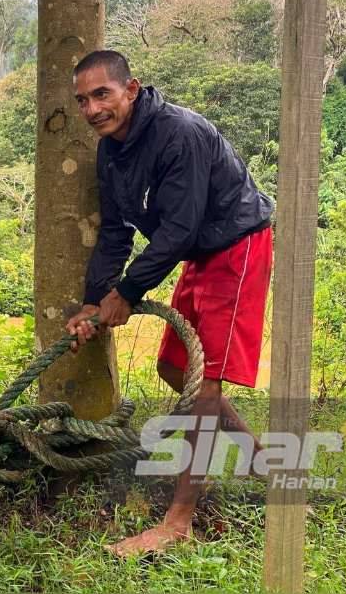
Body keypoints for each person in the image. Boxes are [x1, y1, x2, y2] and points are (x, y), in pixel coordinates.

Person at [65, 50, 274, 557]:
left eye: (102, 94)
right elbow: (115, 231)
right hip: (197, 251)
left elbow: (178, 227)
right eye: (83, 100)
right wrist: (96, 301)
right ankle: (272, 473)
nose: (92, 109)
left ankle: (179, 522)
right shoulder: (110, 149)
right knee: (174, 368)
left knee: (205, 386)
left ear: (130, 89)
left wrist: (127, 294)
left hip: (236, 244)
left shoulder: (180, 133)